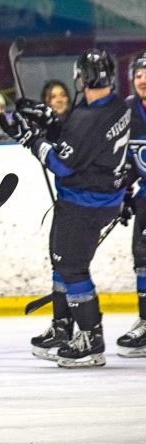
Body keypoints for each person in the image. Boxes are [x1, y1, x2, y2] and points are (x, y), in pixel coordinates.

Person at [1, 48, 131, 368]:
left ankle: (90, 338)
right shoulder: (115, 105)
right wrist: (53, 122)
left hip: (84, 203)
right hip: (99, 199)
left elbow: (62, 164)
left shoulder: (89, 116)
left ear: (83, 77)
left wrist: (30, 138)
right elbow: (83, 142)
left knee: (72, 268)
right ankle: (63, 328)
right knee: (61, 262)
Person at [117, 51, 146, 358]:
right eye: (138, 74)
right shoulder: (127, 111)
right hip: (145, 197)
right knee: (143, 257)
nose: (143, 79)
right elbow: (122, 159)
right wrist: (123, 194)